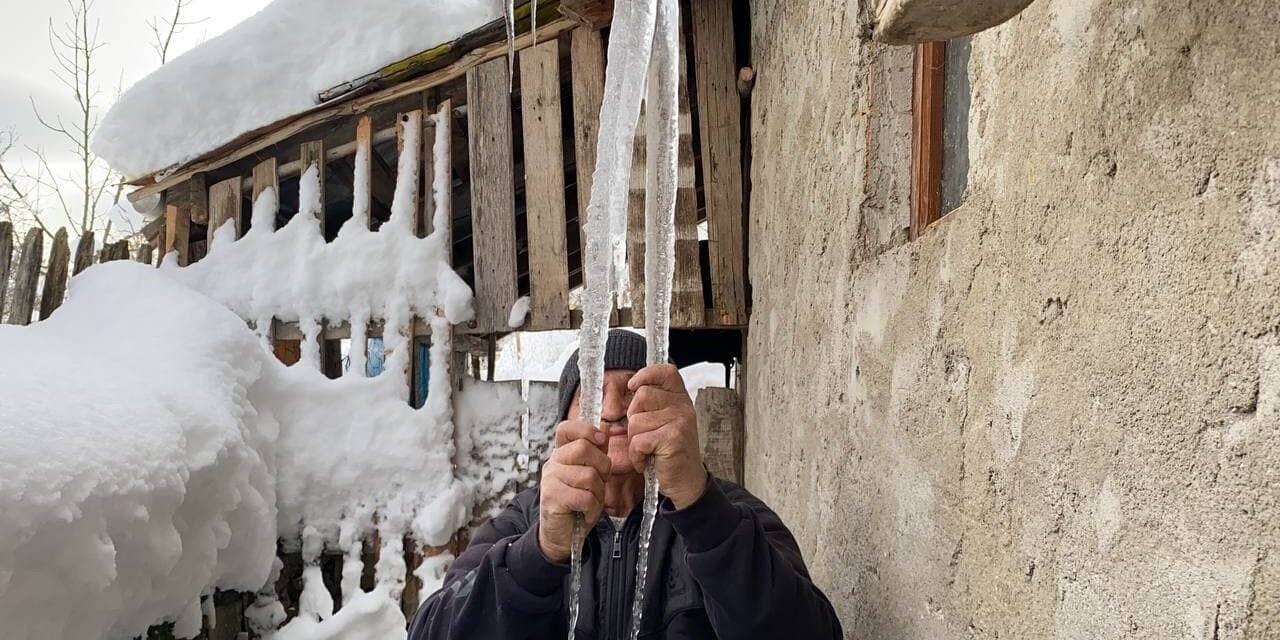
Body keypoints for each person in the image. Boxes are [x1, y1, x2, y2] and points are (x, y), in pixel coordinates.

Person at [409, 330, 842, 639]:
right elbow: (429, 631)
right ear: (566, 423)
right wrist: (540, 556)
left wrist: (699, 505)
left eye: (633, 391)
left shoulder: (727, 514)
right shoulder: (524, 523)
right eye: (594, 393)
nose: (614, 410)